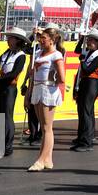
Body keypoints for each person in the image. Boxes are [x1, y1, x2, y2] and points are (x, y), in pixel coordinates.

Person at [27, 27, 68, 171]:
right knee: (43, 127)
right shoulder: (37, 53)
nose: (40, 40)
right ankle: (48, 159)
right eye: (39, 37)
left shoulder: (56, 55)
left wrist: (52, 78)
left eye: (43, 38)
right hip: (37, 89)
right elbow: (32, 75)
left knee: (46, 127)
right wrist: (28, 94)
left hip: (48, 91)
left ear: (52, 40)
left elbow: (62, 78)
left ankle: (40, 160)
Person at [0, 27, 29, 158]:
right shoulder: (7, 53)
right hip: (0, 88)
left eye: (11, 37)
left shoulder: (21, 56)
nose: (8, 39)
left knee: (6, 117)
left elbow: (14, 74)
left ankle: (8, 145)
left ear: (17, 40)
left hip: (9, 89)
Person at [70, 27, 98, 152]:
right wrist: (82, 38)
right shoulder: (88, 52)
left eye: (91, 40)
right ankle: (81, 138)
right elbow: (77, 50)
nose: (88, 42)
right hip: (84, 82)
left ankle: (87, 141)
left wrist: (81, 61)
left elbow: (87, 69)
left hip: (91, 83)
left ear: (97, 42)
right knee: (81, 111)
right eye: (88, 40)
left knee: (86, 111)